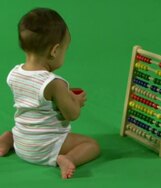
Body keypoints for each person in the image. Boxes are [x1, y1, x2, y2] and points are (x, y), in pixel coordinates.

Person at [0, 7, 100, 179]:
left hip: (22, 143)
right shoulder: (55, 83)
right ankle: (68, 158)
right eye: (65, 50)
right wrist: (76, 101)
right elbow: (71, 114)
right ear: (54, 51)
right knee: (91, 144)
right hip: (45, 148)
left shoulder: (13, 74)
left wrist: (63, 96)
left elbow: (36, 97)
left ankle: (7, 139)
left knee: (19, 128)